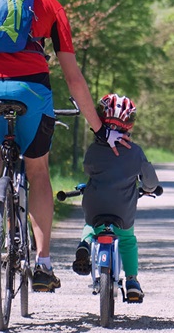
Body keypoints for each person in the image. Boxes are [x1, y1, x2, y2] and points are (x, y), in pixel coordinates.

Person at [0, 0, 116, 293]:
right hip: (31, 93)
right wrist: (99, 127)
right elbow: (73, 77)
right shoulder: (51, 6)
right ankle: (43, 263)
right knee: (37, 169)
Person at [68, 93, 159, 302]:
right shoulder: (135, 152)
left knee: (91, 225)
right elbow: (151, 182)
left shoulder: (93, 149)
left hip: (95, 205)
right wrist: (146, 188)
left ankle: (85, 243)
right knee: (127, 239)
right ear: (130, 125)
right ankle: (132, 280)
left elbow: (88, 169)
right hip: (122, 209)